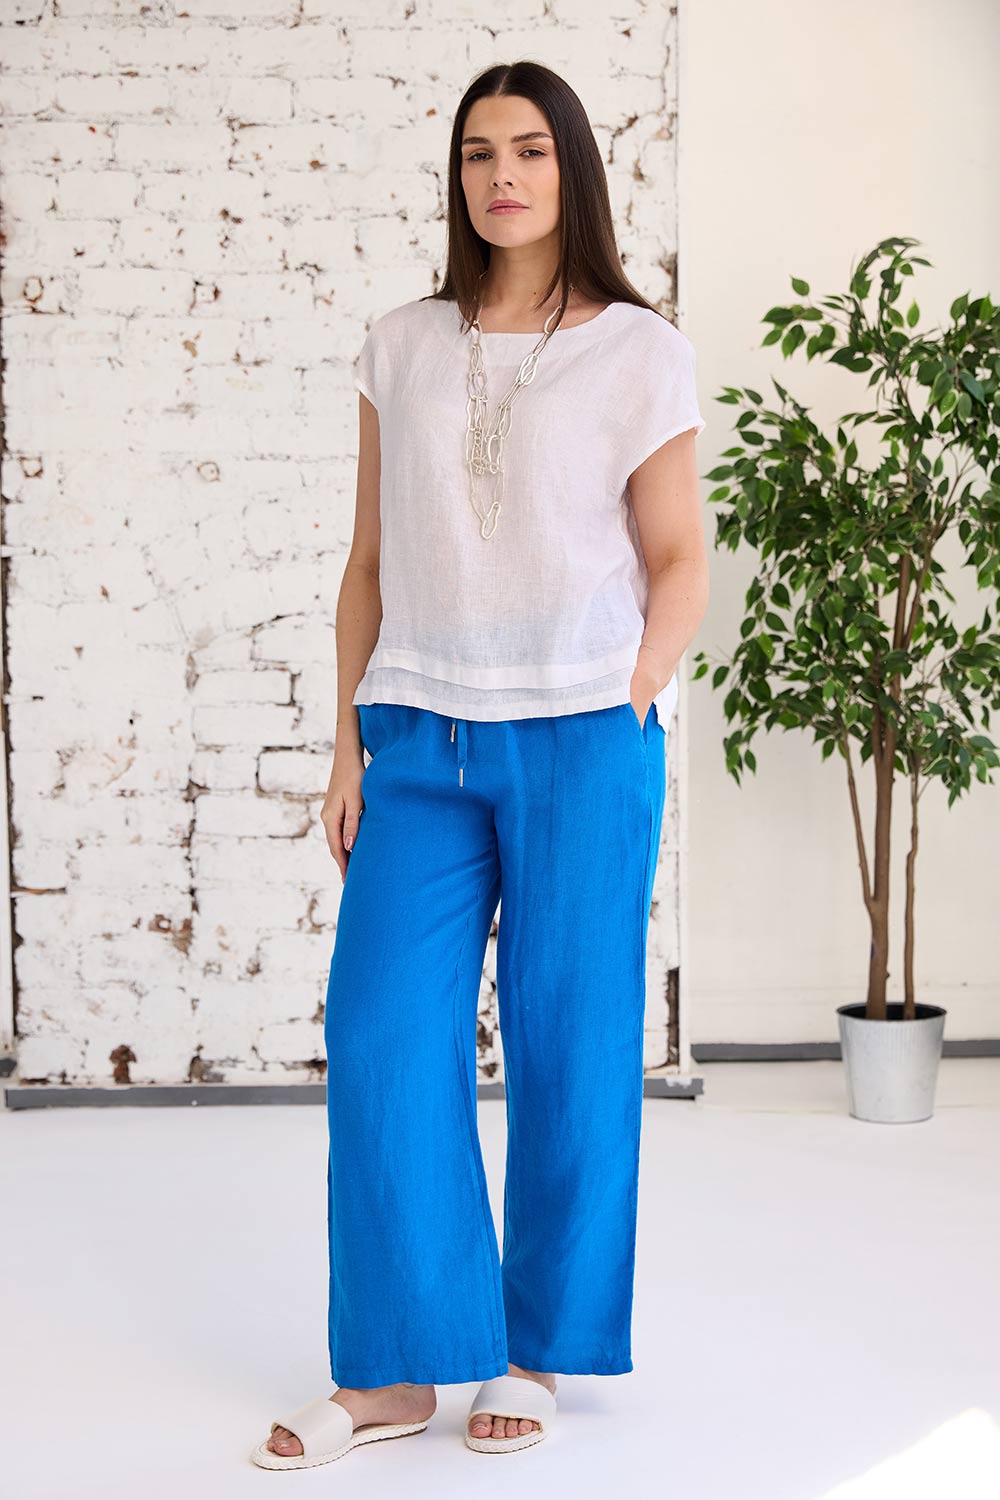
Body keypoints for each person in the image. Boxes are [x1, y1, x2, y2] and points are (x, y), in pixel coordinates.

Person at [251, 58, 709, 1471]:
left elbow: (679, 556)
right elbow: (368, 564)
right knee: (386, 1039)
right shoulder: (401, 344)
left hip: (585, 739)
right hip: (420, 739)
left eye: (528, 150)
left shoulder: (639, 350)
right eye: (476, 153)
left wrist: (632, 690)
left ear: (572, 168)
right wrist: (347, 743)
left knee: (573, 1046)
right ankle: (394, 1370)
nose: (501, 175)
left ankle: (537, 1350)